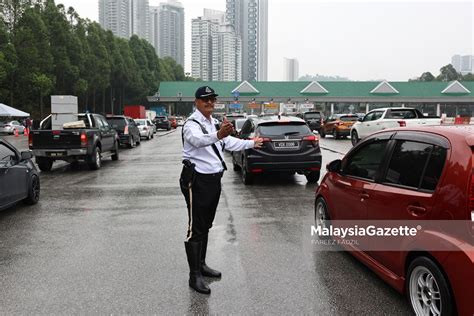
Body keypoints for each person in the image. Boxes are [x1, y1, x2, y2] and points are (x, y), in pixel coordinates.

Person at [180, 86, 263, 294]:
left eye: (212, 100)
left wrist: (252, 143)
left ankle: (202, 265)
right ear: (196, 101)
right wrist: (218, 134)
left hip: (213, 180)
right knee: (196, 227)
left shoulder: (213, 122)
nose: (209, 103)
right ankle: (194, 276)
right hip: (196, 180)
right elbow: (197, 141)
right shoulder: (192, 124)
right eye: (205, 99)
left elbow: (229, 143)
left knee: (206, 224)